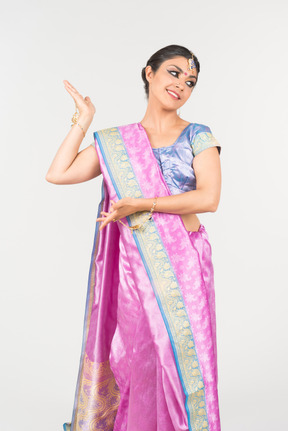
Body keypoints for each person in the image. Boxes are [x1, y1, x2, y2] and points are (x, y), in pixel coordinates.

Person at [45, 44, 222, 431]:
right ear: (149, 73)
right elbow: (58, 174)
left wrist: (140, 202)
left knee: (187, 360)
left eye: (190, 81)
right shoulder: (117, 142)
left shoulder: (198, 135)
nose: (181, 85)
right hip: (133, 268)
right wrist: (83, 119)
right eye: (174, 72)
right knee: (141, 356)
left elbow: (209, 198)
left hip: (185, 267)